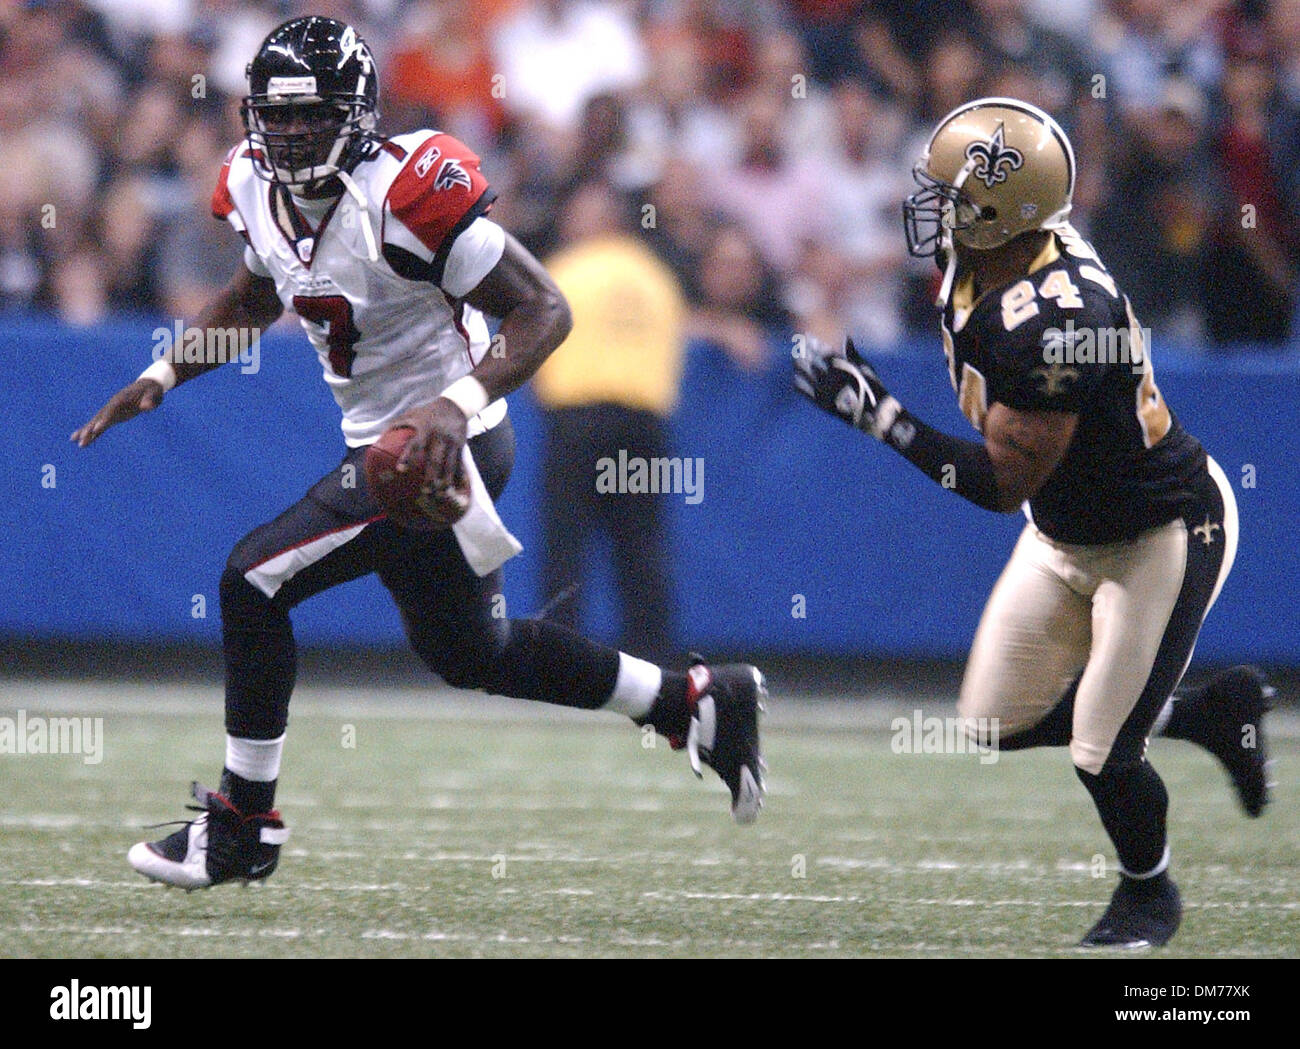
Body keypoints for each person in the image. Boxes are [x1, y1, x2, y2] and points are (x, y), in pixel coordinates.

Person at [71, 17, 763, 891]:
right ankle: (695, 701)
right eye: (274, 119)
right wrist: (166, 370)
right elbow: (255, 293)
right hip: (393, 444)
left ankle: (243, 826)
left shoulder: (403, 193)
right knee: (474, 651)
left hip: (448, 442)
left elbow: (544, 308)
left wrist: (455, 402)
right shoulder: (248, 183)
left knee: (254, 580)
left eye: (310, 117)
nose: (288, 138)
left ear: (356, 115)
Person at [795, 97, 1271, 948]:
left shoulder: (1060, 322)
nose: (935, 209)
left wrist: (881, 418)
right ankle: (1210, 712)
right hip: (1066, 532)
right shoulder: (996, 256)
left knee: (1100, 750)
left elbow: (996, 485)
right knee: (993, 719)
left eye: (953, 196)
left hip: (1158, 532)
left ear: (1000, 217)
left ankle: (1149, 896)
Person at [534, 180, 686, 663]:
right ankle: (653, 664)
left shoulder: (565, 268)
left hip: (577, 424)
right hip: (643, 427)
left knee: (566, 546)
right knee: (641, 549)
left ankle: (560, 661)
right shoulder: (656, 276)